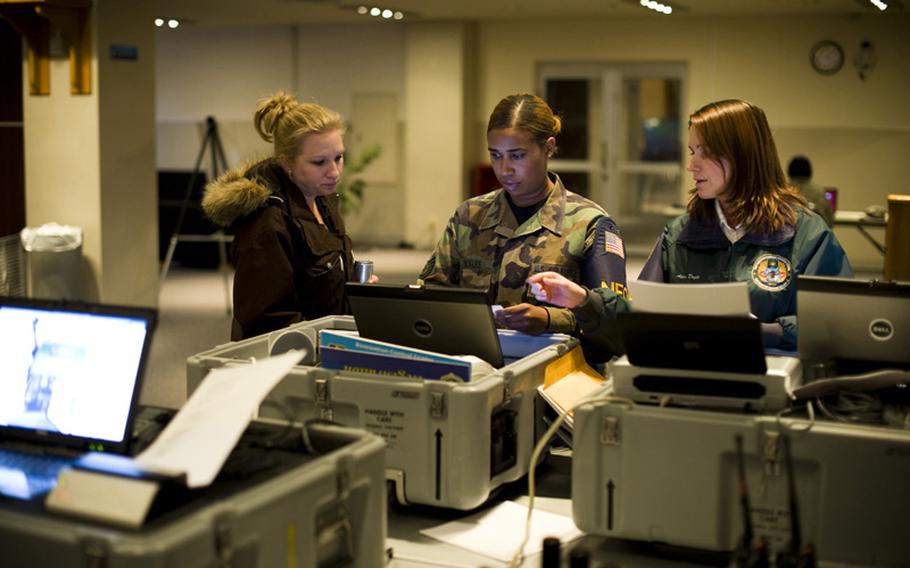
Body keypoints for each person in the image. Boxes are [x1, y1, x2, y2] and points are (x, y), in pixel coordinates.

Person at [527, 99, 853, 354]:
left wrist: (768, 332)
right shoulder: (682, 233)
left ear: (744, 156)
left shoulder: (805, 235)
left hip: (774, 385)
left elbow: (838, 323)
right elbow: (641, 316)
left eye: (705, 153)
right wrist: (583, 299)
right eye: (692, 151)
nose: (690, 165)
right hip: (685, 377)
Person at [419, 93, 629, 360]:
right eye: (496, 156)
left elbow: (616, 324)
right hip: (475, 370)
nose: (504, 169)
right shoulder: (469, 217)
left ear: (549, 147)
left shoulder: (590, 224)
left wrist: (549, 318)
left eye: (517, 156)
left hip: (555, 380)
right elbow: (429, 298)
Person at [203, 91, 375, 341]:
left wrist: (355, 294)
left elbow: (321, 286)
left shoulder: (323, 199)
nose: (334, 172)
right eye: (319, 162)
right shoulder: (266, 222)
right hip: (292, 360)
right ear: (287, 164)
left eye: (338, 158)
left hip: (331, 343)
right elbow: (268, 323)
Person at [787, 155, 835, 227]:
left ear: (789, 172)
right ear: (810, 172)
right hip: (815, 235)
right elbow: (829, 221)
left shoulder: (783, 191)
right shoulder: (819, 193)